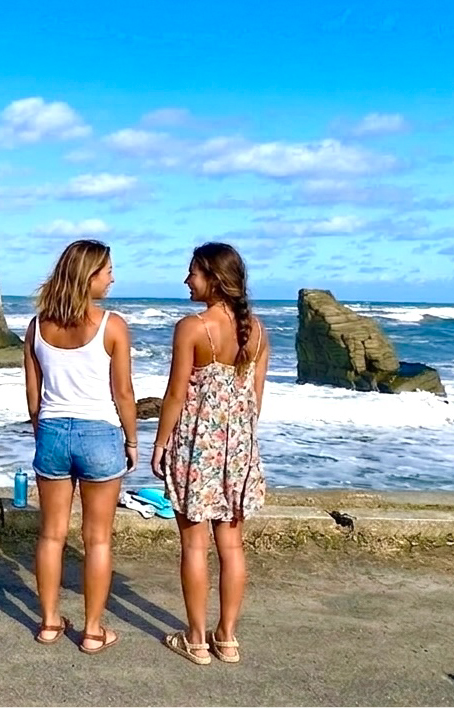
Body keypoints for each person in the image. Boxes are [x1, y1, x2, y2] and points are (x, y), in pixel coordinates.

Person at [150, 242, 269, 665]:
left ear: (214, 280)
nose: (187, 280)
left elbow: (175, 394)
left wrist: (161, 443)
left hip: (196, 446)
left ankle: (197, 639)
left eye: (193, 273)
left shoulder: (192, 328)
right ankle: (228, 638)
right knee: (232, 546)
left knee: (194, 546)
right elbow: (254, 399)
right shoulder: (255, 329)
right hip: (238, 447)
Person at [23, 239, 138, 654]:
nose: (112, 277)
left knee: (51, 535)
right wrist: (131, 439)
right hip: (100, 434)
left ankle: (50, 623)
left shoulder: (37, 326)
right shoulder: (112, 325)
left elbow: (33, 396)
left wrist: (43, 432)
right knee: (98, 539)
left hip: (52, 431)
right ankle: (92, 631)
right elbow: (123, 392)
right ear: (88, 276)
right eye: (107, 270)